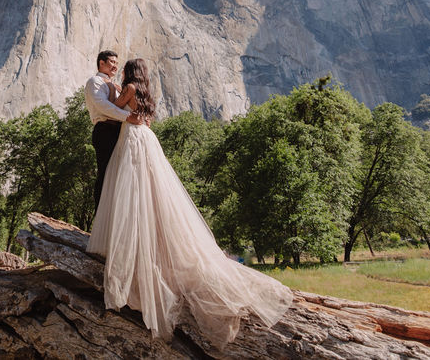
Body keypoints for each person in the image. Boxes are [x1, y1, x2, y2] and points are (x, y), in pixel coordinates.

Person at [88, 58, 292, 349]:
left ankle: (135, 246)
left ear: (130, 72)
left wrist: (112, 90)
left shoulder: (129, 87)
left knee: (131, 189)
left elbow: (117, 107)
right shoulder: (146, 90)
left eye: (123, 68)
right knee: (151, 189)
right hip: (147, 136)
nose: (120, 71)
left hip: (132, 137)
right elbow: (145, 116)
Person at [84, 50, 143, 210]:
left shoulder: (116, 86)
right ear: (101, 63)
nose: (115, 66)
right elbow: (103, 106)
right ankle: (101, 219)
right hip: (104, 130)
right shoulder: (95, 82)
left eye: (117, 63)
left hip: (119, 132)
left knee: (119, 176)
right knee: (105, 174)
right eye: (111, 62)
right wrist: (128, 116)